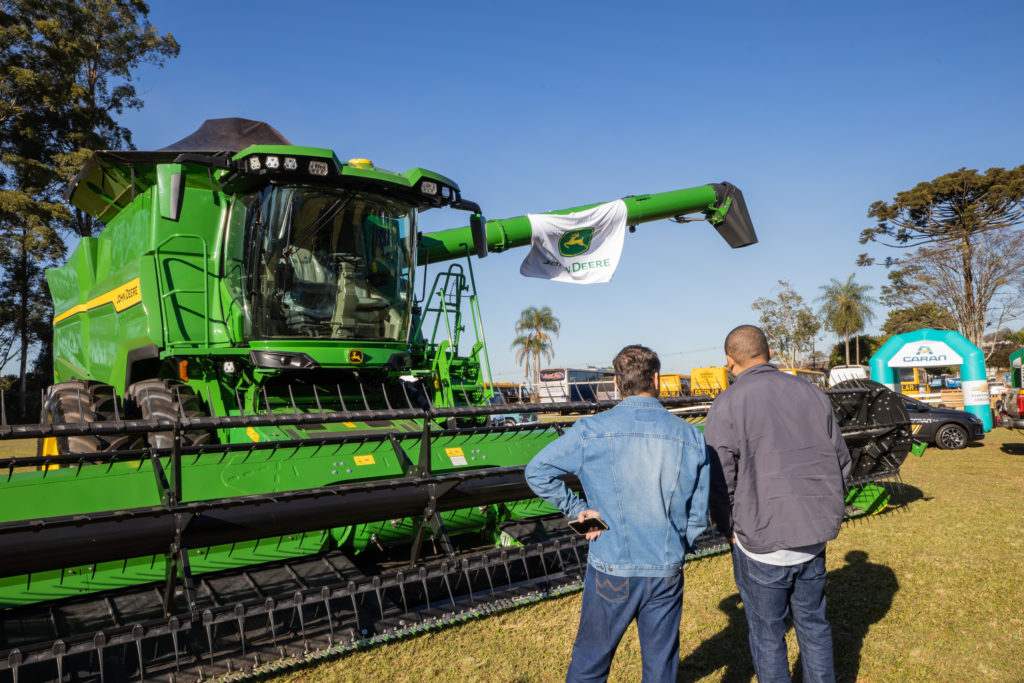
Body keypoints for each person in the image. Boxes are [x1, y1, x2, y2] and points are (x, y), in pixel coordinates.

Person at [524, 345, 709, 683]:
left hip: (610, 565)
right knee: (660, 670)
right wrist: (682, 546)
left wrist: (579, 511)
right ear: (655, 378)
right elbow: (698, 511)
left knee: (590, 665)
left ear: (616, 382)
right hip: (665, 568)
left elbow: (537, 471)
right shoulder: (690, 437)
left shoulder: (590, 431)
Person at [704, 325, 851, 683]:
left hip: (758, 545)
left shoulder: (726, 404)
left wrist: (729, 530)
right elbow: (841, 463)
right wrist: (825, 513)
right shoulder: (813, 394)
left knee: (768, 636)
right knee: (814, 627)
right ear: (768, 353)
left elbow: (719, 480)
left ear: (729, 361)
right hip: (811, 538)